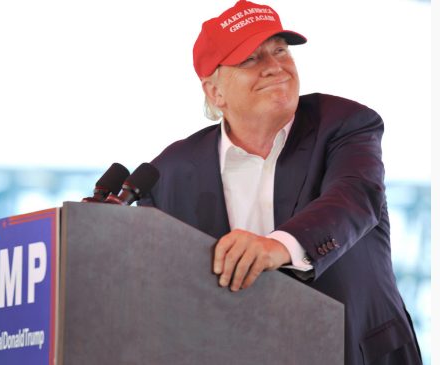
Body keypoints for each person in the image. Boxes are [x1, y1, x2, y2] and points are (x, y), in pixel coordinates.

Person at [138, 1, 422, 364]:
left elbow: (353, 198)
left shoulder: (346, 123)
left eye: (280, 51)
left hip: (355, 350)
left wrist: (278, 247)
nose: (275, 67)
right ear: (214, 92)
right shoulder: (169, 171)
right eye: (250, 59)